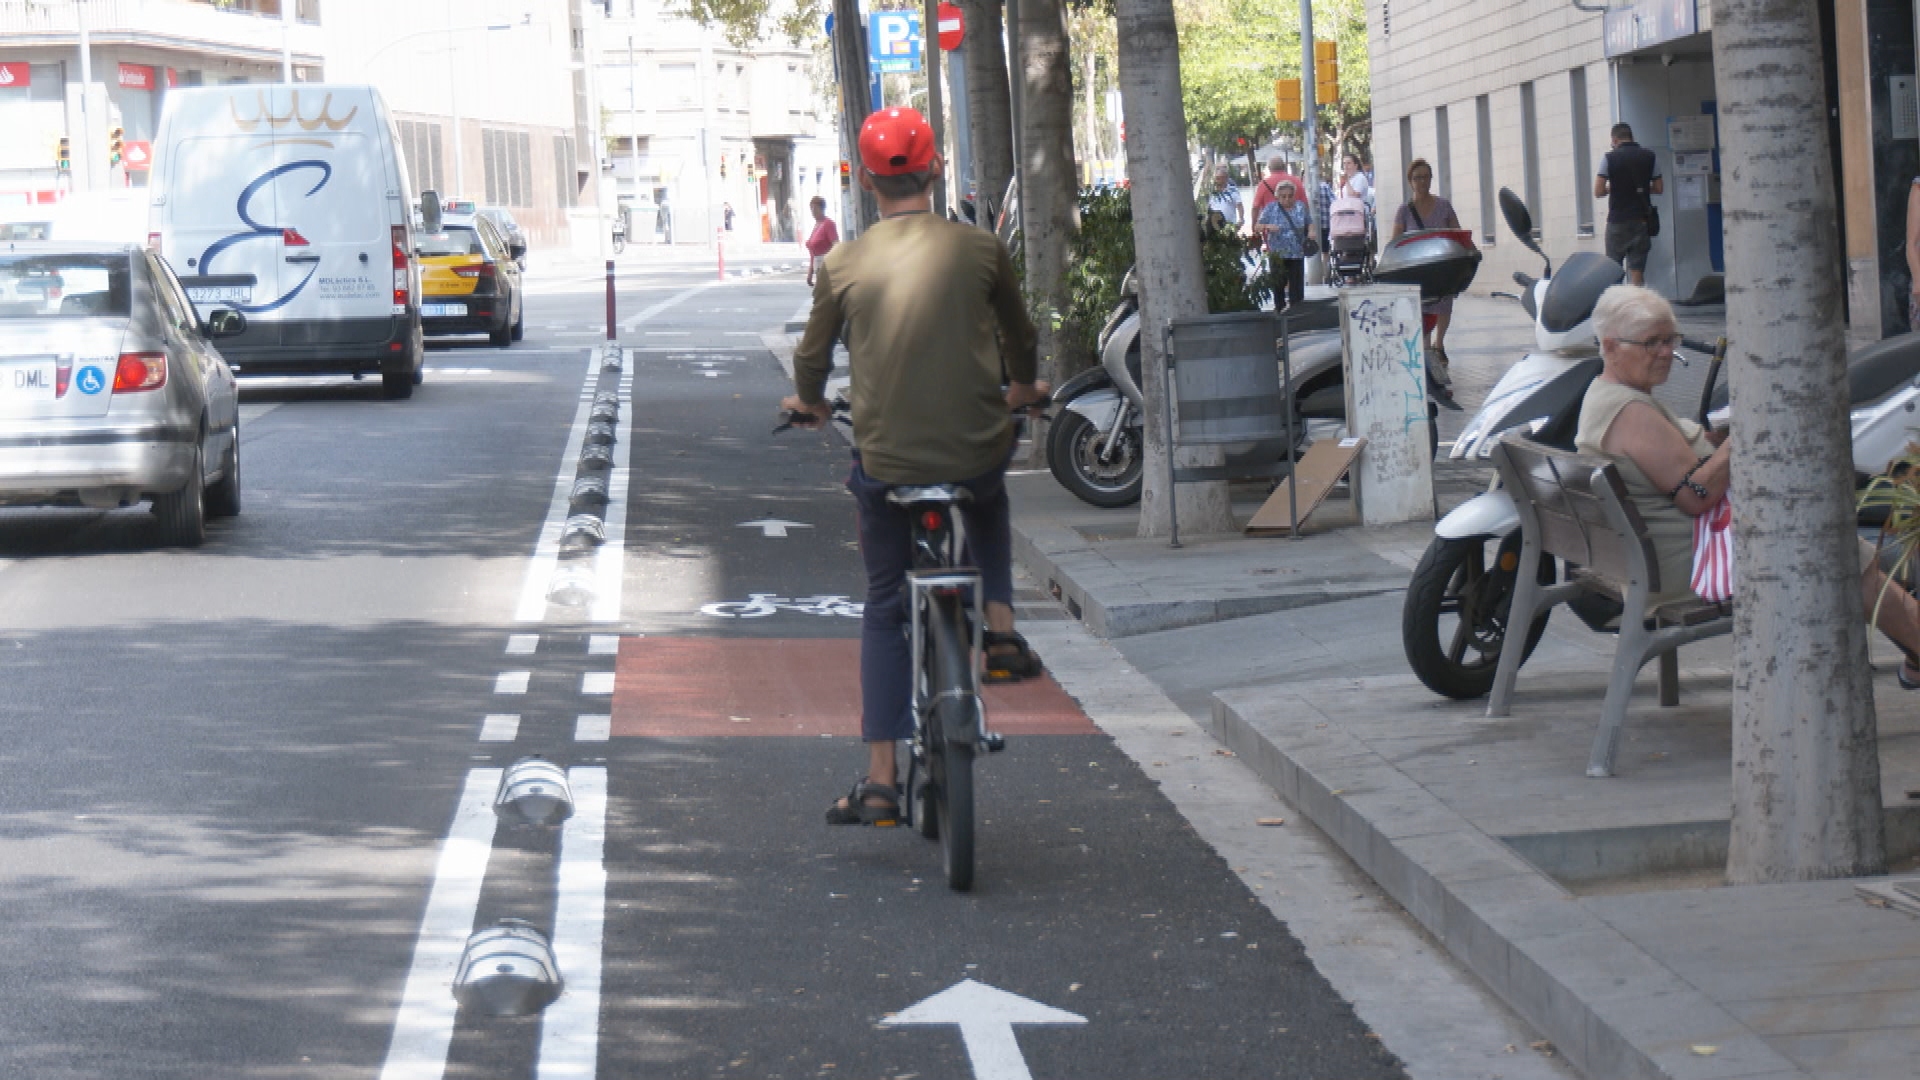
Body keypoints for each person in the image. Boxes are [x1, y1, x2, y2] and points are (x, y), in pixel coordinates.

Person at [782, 107, 1051, 826]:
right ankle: (999, 630)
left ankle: (879, 778)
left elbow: (812, 357)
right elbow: (1020, 337)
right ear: (934, 170)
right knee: (989, 497)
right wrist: (1022, 387)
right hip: (973, 450)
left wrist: (808, 400)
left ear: (869, 182)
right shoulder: (980, 250)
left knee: (882, 606)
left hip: (887, 462)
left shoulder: (843, 263)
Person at [1576, 285, 1920, 681]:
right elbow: (1696, 495)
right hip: (1686, 566)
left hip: (1657, 555)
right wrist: (1745, 435)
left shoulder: (1612, 396)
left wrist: (1717, 441)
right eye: (1651, 342)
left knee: (1839, 545)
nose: (1666, 352)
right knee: (1834, 547)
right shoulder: (1630, 411)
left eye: (1670, 339)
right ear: (1611, 346)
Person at [1391, 158, 1463, 385]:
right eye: (1417, 178)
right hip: (1418, 269)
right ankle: (1426, 355)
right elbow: (1396, 242)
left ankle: (1439, 344)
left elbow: (1457, 232)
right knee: (1423, 310)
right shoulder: (1404, 210)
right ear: (1410, 182)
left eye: (1426, 177)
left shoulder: (1443, 205)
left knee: (1443, 305)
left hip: (1441, 266)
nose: (1422, 182)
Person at [1596, 123, 1662, 287]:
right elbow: (1659, 188)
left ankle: (1617, 306)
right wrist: (1641, 189)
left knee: (1613, 270)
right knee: (1637, 270)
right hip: (1641, 220)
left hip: (1617, 221)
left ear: (1615, 139)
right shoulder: (1649, 156)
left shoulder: (1609, 158)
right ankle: (1637, 307)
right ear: (1632, 137)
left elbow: (1598, 191)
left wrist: (1612, 189)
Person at [1255, 179, 1313, 308]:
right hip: (1278, 253)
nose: (1287, 199)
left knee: (1296, 285)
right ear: (1277, 196)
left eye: (1290, 196)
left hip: (1296, 252)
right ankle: (1280, 308)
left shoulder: (1300, 206)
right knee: (1279, 283)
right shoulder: (1271, 208)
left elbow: (1310, 222)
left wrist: (1311, 232)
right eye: (1283, 196)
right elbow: (1257, 226)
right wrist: (1268, 226)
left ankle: (1297, 309)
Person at [1250, 155, 1307, 225]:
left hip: (1272, 227)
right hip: (1296, 226)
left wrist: (1254, 224)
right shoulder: (1296, 181)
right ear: (1284, 166)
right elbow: (1305, 204)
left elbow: (1255, 207)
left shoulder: (1263, 184)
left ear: (1269, 168)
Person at [804, 195, 838, 287]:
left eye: (815, 208)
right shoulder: (816, 225)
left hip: (828, 267)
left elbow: (836, 246)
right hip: (818, 267)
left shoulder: (828, 224)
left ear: (821, 208)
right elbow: (812, 252)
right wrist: (810, 273)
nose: (813, 211)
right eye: (811, 208)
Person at [1207, 166, 1243, 232]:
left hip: (1229, 225)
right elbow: (1208, 207)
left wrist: (1241, 219)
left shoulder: (1233, 191)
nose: (1216, 180)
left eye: (1218, 178)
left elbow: (1239, 205)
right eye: (1216, 178)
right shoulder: (1211, 192)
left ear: (1225, 178)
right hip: (1214, 226)